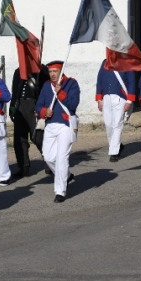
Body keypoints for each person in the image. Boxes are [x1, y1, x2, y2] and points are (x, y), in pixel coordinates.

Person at [36, 60, 80, 203]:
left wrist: (60, 92)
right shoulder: (46, 86)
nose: (52, 74)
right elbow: (38, 106)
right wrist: (44, 112)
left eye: (55, 71)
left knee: (61, 158)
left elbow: (73, 104)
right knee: (48, 157)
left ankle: (60, 191)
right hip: (50, 125)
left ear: (61, 71)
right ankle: (66, 175)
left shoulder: (71, 83)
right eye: (50, 71)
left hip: (65, 124)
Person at [10, 65, 50, 177]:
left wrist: (43, 108)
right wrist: (12, 107)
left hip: (35, 105)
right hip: (20, 105)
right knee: (19, 139)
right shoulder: (18, 71)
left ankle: (50, 163)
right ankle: (23, 167)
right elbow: (15, 90)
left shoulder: (42, 70)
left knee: (38, 137)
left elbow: (46, 90)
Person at [95, 59, 136, 162]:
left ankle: (114, 152)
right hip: (106, 98)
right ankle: (117, 145)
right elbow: (99, 80)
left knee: (117, 124)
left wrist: (129, 101)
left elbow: (131, 82)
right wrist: (99, 99)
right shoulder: (104, 62)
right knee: (108, 124)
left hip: (120, 97)